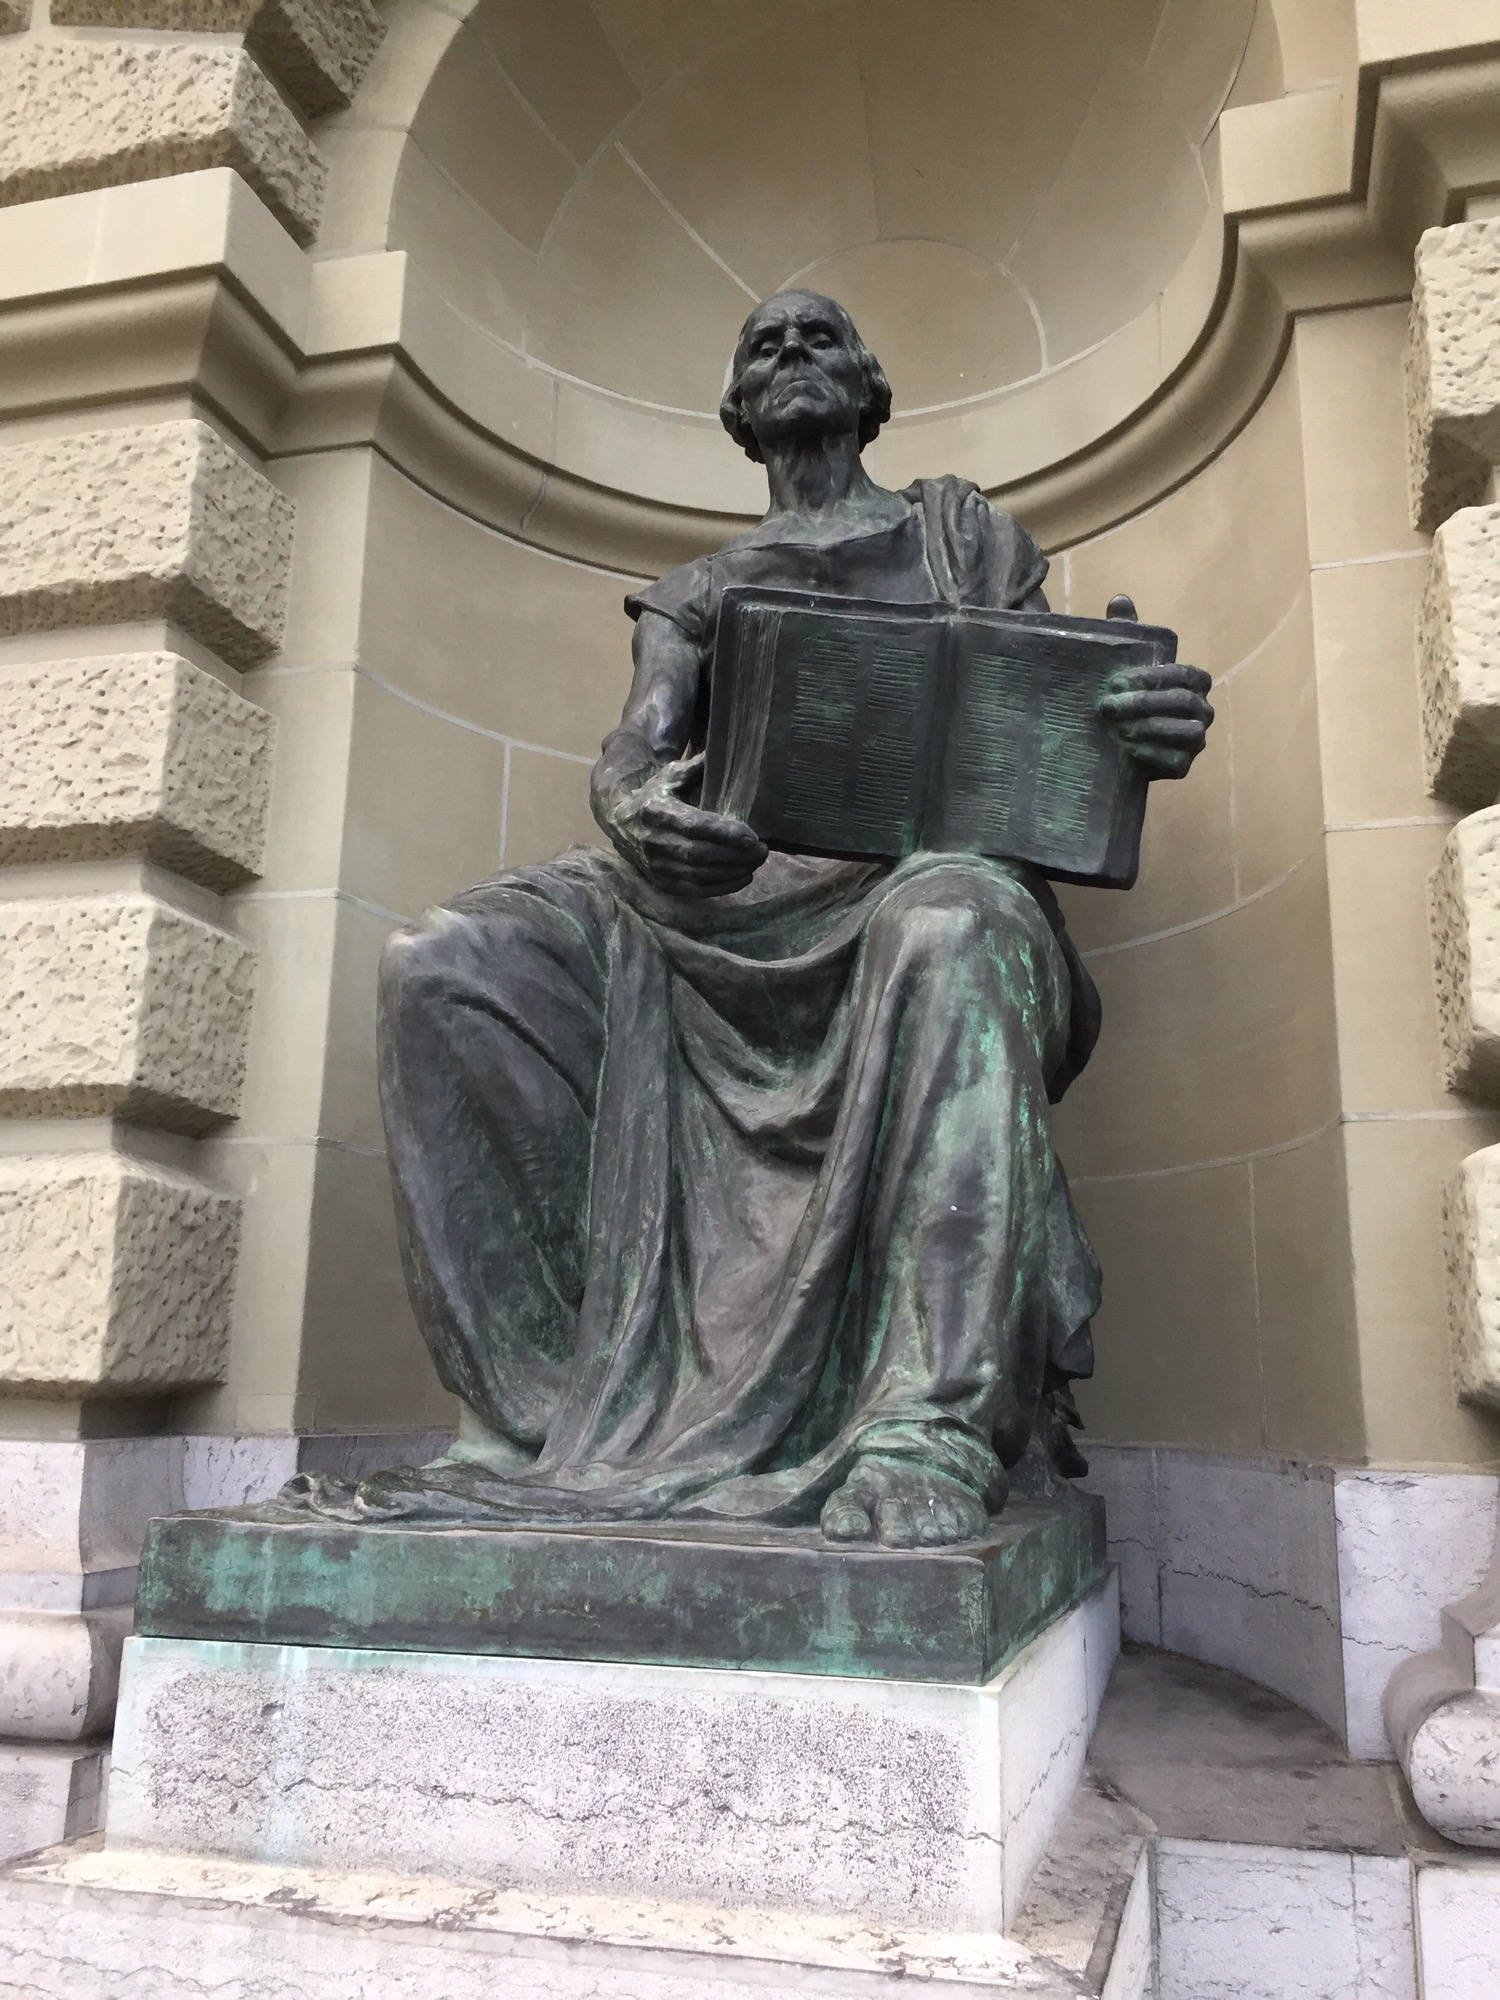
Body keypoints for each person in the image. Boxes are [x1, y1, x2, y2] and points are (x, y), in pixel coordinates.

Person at [290, 291, 1212, 1548]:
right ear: (737, 408)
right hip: (719, 900)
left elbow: (1042, 711)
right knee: (446, 964)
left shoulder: (966, 539)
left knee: (950, 927)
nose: (790, 355)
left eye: (819, 336)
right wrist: (638, 809)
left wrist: (1128, 728)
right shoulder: (701, 589)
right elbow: (635, 757)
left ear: (869, 383)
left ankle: (922, 1424)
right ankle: (550, 1418)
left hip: (918, 889)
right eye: (763, 345)